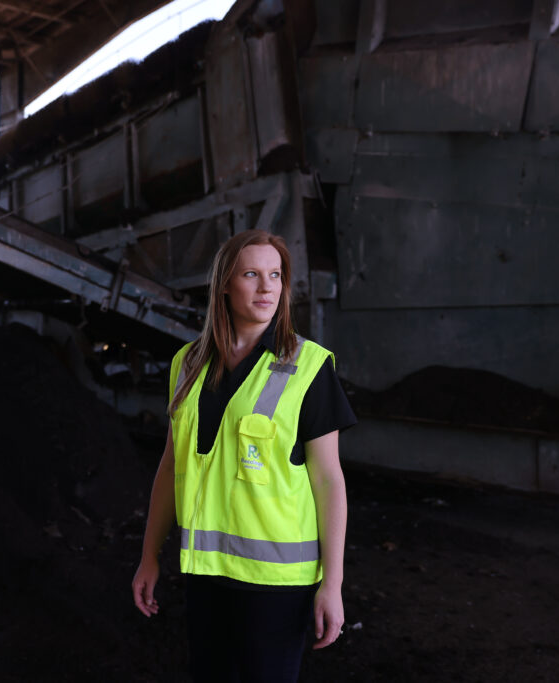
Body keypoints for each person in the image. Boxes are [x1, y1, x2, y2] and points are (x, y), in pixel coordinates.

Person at [131, 229, 356, 682]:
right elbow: (172, 466)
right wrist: (149, 554)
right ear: (224, 286)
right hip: (206, 573)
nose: (267, 287)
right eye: (251, 274)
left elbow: (329, 480)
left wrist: (332, 584)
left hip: (277, 584)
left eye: (275, 275)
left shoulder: (308, 367)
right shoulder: (187, 363)